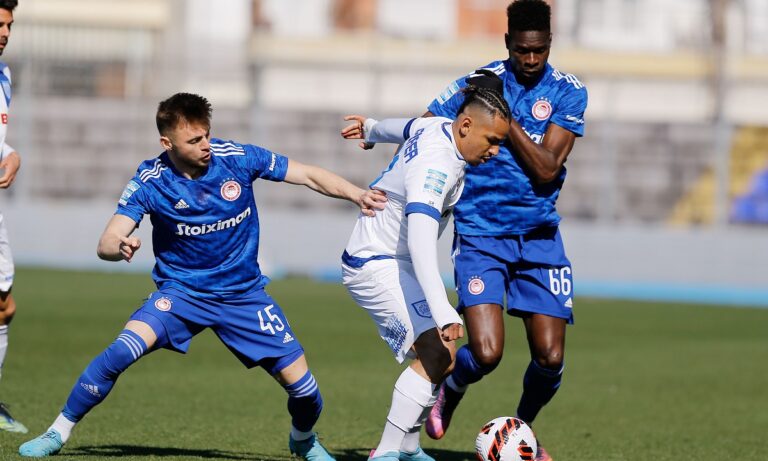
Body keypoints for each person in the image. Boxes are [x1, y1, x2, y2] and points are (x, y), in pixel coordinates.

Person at [18, 92, 387, 458]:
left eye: (207, 134)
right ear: (167, 143)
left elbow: (307, 174)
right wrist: (120, 246)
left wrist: (356, 194)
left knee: (305, 391)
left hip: (243, 296)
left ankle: (303, 438)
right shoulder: (152, 180)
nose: (206, 145)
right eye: (194, 140)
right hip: (183, 293)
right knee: (121, 350)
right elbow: (107, 241)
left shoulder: (237, 158)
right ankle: (57, 432)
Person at [423, 2, 588, 460]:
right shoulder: (476, 83)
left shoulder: (568, 91)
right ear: (507, 43)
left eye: (539, 50)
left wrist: (502, 115)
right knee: (487, 352)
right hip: (481, 233)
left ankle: (521, 433)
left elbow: (546, 168)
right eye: (521, 50)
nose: (530, 60)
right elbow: (427, 127)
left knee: (550, 358)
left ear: (550, 44)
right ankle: (451, 388)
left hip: (539, 237)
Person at [340, 83, 511, 461]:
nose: (496, 151)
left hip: (392, 260)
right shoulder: (436, 166)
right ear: (466, 126)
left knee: (443, 354)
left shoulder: (436, 126)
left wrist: (372, 129)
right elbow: (419, 241)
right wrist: (442, 308)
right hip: (375, 262)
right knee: (436, 352)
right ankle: (386, 453)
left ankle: (407, 447)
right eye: (492, 140)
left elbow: (403, 127)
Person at [0, 0, 26, 434]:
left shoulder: (3, 74)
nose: (4, 32)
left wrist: (11, 153)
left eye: (9, 25)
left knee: (4, 306)